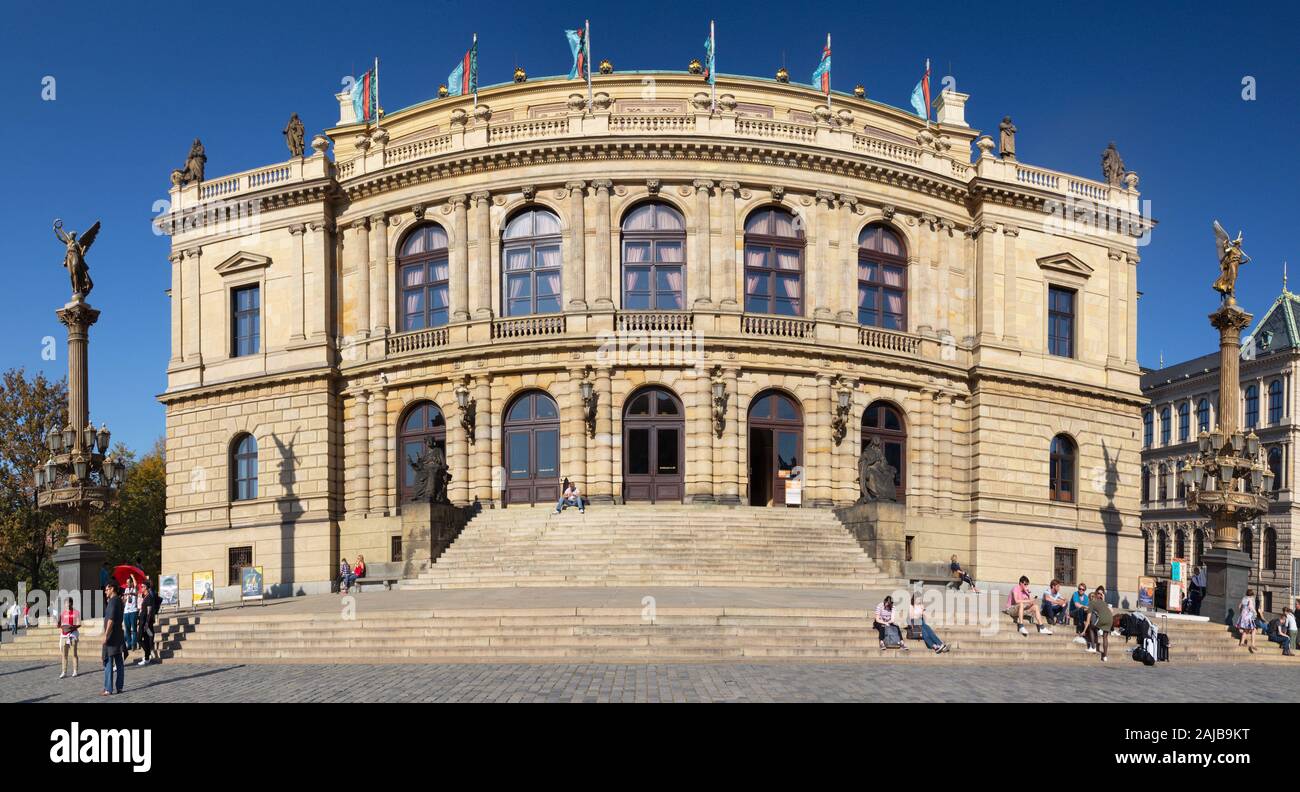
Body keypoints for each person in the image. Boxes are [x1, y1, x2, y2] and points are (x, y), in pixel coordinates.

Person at [101, 582, 125, 696]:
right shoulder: (119, 600)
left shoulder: (113, 601)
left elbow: (110, 619)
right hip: (118, 635)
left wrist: (106, 635)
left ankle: (108, 689)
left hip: (111, 636)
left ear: (112, 589)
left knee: (108, 662)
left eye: (106, 589)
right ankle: (119, 687)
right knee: (119, 662)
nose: (105, 592)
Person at [1082, 586, 1114, 661]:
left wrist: (1084, 630)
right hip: (1110, 619)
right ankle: (1105, 656)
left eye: (1101, 594)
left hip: (1103, 619)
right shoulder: (1104, 603)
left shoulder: (1092, 603)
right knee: (1105, 637)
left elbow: (1088, 618)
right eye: (1099, 593)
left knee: (1091, 628)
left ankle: (1093, 647)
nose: (1099, 595)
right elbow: (1109, 611)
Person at [136, 581, 159, 666]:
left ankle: (147, 654)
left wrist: (146, 623)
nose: (141, 588)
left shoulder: (149, 597)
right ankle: (147, 658)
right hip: (142, 620)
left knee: (139, 638)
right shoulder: (145, 596)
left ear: (146, 587)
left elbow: (149, 612)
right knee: (145, 639)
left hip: (145, 622)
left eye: (142, 586)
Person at [58, 598, 81, 679]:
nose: (67, 605)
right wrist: (59, 624)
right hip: (64, 635)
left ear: (71, 603)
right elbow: (59, 624)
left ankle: (75, 670)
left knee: (74, 654)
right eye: (66, 603)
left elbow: (79, 623)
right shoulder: (63, 613)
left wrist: (73, 627)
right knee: (64, 655)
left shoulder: (76, 612)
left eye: (68, 603)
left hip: (72, 635)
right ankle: (64, 671)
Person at [1237, 589, 1258, 653]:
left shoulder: (1244, 598)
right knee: (1254, 629)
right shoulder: (1251, 599)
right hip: (1249, 617)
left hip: (1243, 616)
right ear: (1252, 594)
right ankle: (1253, 644)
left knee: (1246, 630)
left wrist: (1242, 613)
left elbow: (1239, 606)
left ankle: (1242, 642)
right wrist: (1255, 612)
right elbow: (1250, 606)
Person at [122, 577, 139, 654]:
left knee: (134, 628)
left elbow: (135, 592)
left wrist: (132, 576)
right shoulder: (126, 590)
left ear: (132, 583)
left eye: (129, 582)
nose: (127, 584)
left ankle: (133, 644)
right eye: (126, 582)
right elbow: (125, 601)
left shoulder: (135, 588)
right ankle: (129, 644)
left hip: (133, 611)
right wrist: (124, 599)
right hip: (126, 611)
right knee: (127, 628)